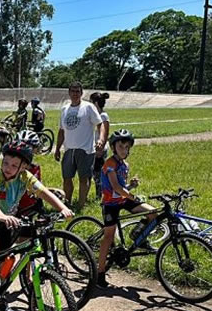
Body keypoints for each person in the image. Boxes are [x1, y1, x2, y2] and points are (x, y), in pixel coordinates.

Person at [0, 140, 73, 305]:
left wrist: (62, 208)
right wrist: (1, 216)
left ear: (24, 167)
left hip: (6, 216)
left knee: (4, 253)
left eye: (14, 165)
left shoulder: (25, 177)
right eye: (5, 163)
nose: (7, 168)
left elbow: (43, 192)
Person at [96, 129, 157, 287]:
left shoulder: (125, 165)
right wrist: (132, 196)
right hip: (110, 203)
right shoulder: (109, 164)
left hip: (123, 199)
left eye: (127, 147)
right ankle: (100, 273)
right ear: (113, 147)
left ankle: (138, 235)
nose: (124, 150)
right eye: (121, 146)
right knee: (108, 238)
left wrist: (131, 186)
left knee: (152, 213)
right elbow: (116, 188)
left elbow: (123, 187)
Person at [54, 81, 104, 211]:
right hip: (69, 149)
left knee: (83, 178)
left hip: (86, 149)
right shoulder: (64, 109)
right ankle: (67, 203)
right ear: (69, 93)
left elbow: (100, 124)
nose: (75, 94)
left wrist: (101, 139)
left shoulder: (88, 107)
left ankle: (81, 205)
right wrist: (58, 148)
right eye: (73, 91)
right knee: (67, 178)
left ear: (81, 93)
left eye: (78, 91)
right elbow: (61, 131)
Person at [90, 92, 111, 201]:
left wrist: (100, 149)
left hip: (100, 150)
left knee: (99, 174)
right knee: (95, 174)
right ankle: (100, 195)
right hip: (93, 149)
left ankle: (101, 196)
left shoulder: (103, 116)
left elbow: (105, 133)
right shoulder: (95, 115)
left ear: (96, 103)